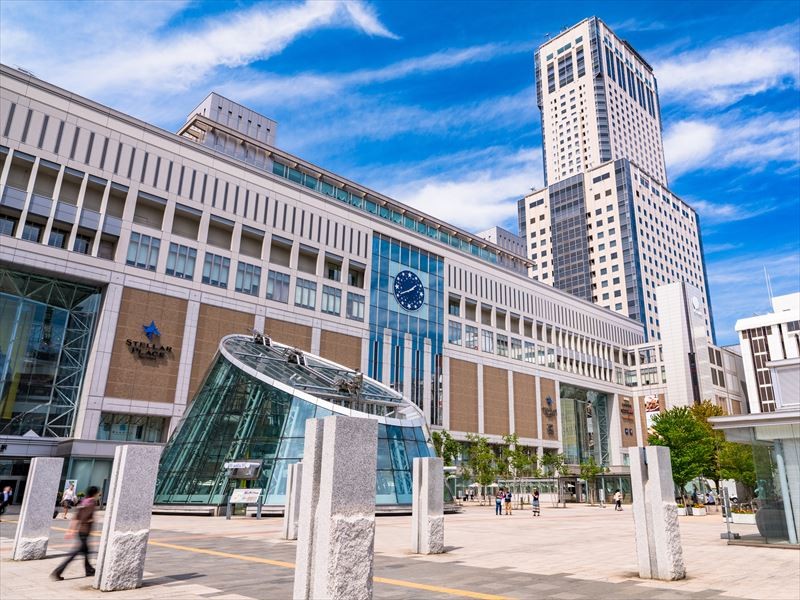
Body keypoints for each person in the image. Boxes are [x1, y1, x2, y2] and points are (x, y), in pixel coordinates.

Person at [51, 486, 99, 580]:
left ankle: (89, 570)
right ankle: (58, 571)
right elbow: (88, 517)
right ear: (94, 493)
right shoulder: (92, 502)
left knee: (86, 551)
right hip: (85, 531)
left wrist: (71, 530)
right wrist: (91, 520)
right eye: (97, 493)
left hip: (80, 531)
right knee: (75, 553)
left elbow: (76, 517)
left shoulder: (83, 502)